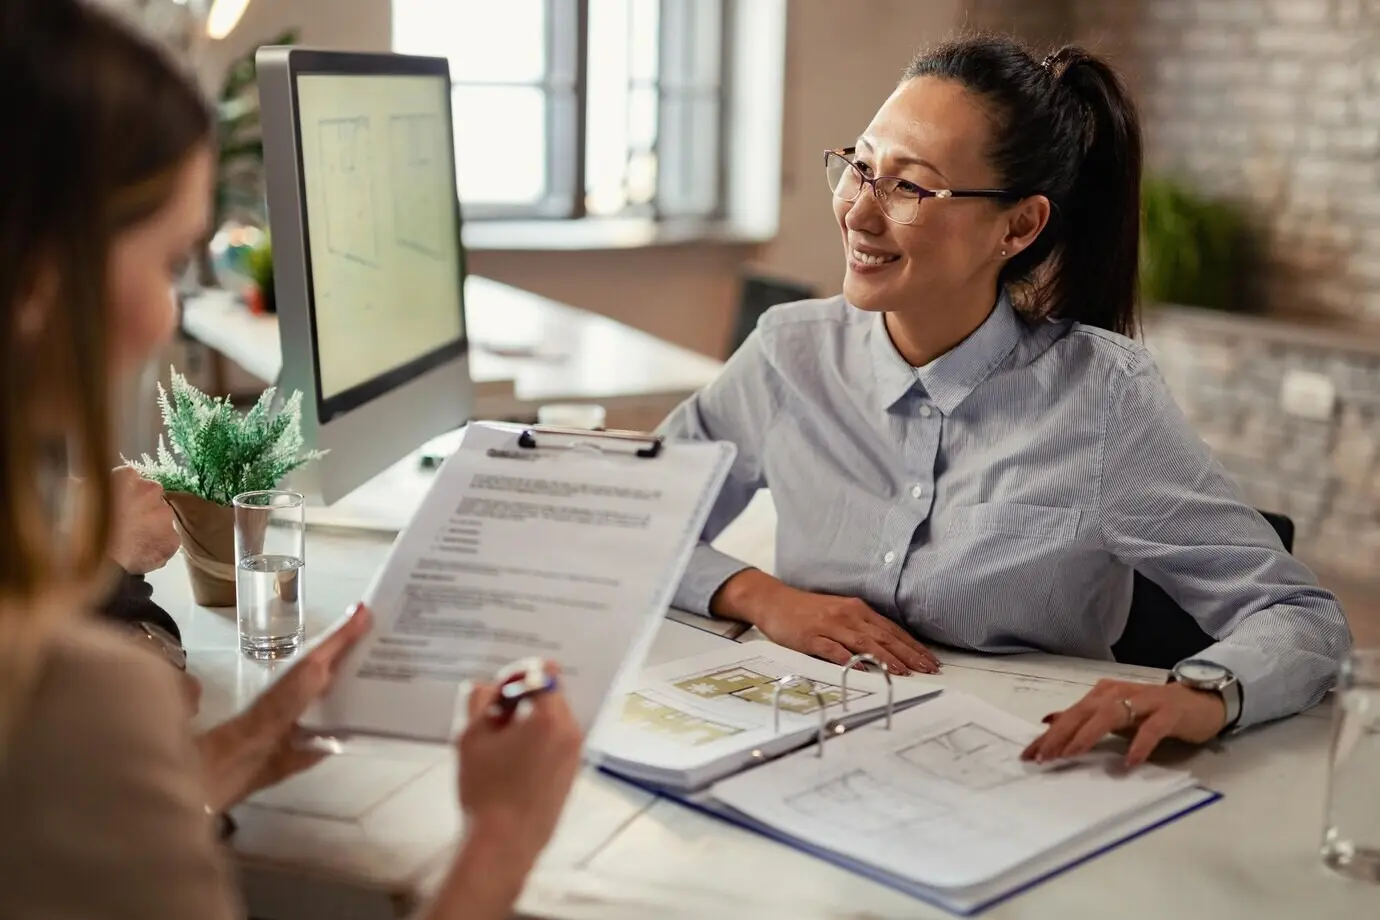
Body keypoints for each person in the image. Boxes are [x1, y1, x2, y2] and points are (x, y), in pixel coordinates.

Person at [0, 2, 583, 918]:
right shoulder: (66, 698)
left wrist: (228, 753)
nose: (171, 312)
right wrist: (505, 834)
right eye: (167, 263)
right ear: (42, 282)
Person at [661, 35, 1351, 767]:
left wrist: (1207, 693)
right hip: (804, 752)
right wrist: (762, 596)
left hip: (1017, 764)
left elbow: (1301, 617)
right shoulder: (788, 353)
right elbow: (635, 517)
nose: (859, 213)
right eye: (860, 167)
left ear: (1019, 226)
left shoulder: (1102, 397)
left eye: (909, 187)